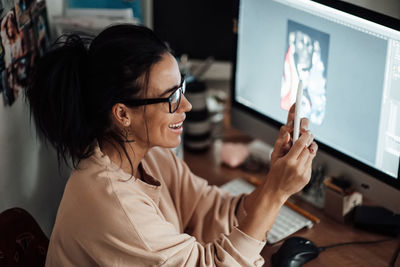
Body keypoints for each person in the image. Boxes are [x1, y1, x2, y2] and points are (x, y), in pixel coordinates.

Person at [26, 24, 318, 266]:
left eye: (182, 88)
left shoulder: (146, 155)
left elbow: (213, 210)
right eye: (171, 98)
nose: (187, 105)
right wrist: (277, 193)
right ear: (123, 114)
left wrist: (274, 181)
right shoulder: (113, 204)